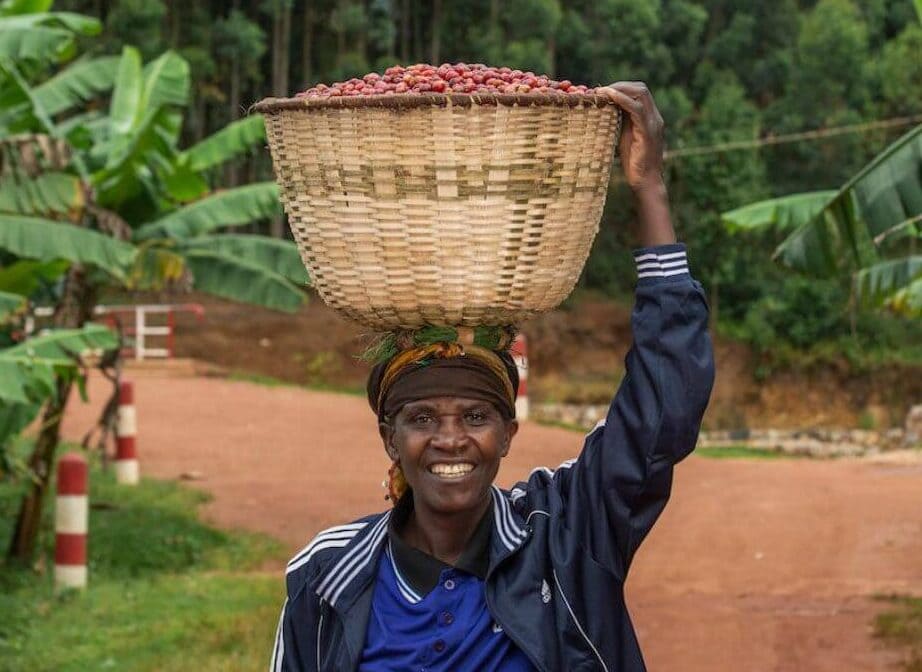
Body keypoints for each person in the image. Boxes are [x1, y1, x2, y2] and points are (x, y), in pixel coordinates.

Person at [270, 82, 715, 672]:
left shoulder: (564, 535)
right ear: (389, 437)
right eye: (422, 418)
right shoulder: (328, 575)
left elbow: (664, 408)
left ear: (508, 433)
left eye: (475, 416)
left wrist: (649, 185)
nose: (450, 439)